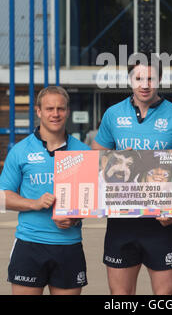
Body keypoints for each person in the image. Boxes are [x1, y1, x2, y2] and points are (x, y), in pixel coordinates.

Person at [92, 53, 172, 295]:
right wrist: (114, 160)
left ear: (160, 79)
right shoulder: (112, 114)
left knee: (166, 297)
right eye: (139, 78)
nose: (145, 84)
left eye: (150, 78)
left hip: (161, 222)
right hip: (121, 221)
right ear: (130, 80)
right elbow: (95, 161)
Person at [0, 86, 90, 295]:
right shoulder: (21, 151)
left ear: (67, 111)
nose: (55, 114)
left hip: (69, 244)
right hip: (29, 244)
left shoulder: (83, 152)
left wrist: (75, 217)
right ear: (39, 111)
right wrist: (34, 203)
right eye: (49, 108)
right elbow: (3, 197)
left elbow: (90, 200)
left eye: (60, 108)